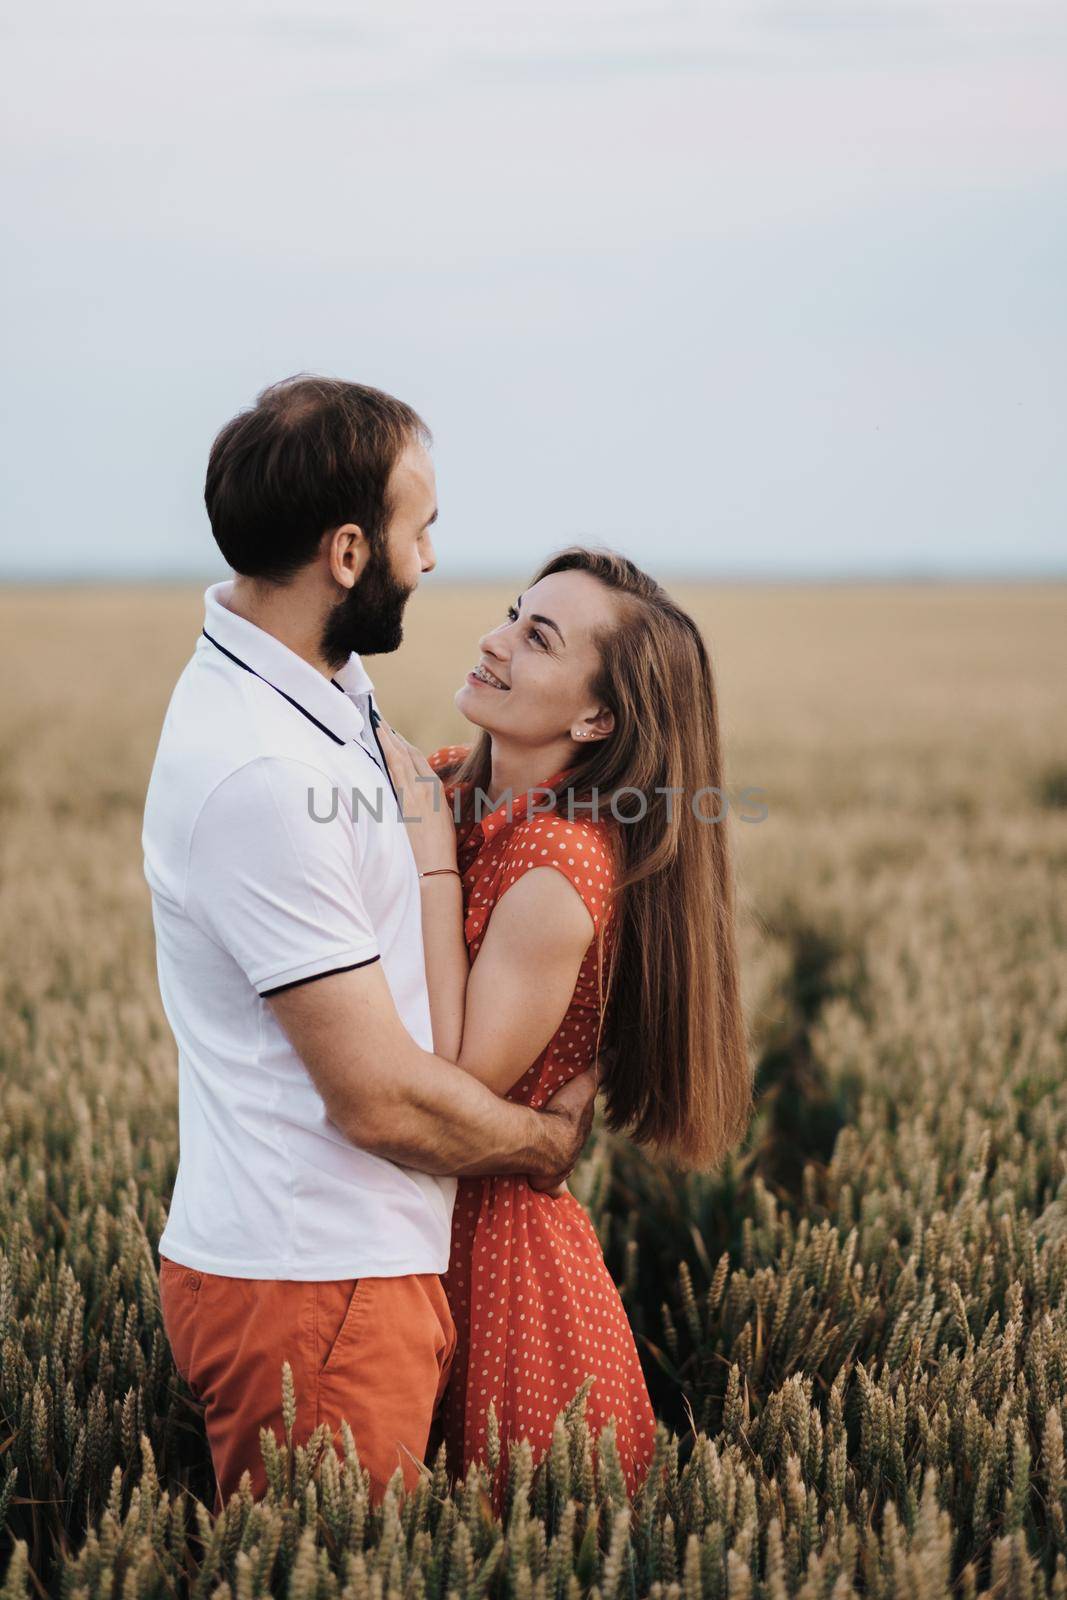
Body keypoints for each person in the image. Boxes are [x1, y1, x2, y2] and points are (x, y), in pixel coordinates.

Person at [141, 376, 596, 1514]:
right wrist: (539, 1145)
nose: (432, 557)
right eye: (418, 527)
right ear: (349, 551)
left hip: (353, 1273)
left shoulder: (326, 683)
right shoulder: (263, 774)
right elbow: (379, 1102)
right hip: (315, 1290)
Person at [376, 547, 752, 1503]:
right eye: (511, 613)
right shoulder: (460, 783)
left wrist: (426, 853)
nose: (494, 640)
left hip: (495, 1271)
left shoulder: (557, 863)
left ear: (595, 717)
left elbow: (452, 1075)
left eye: (535, 638)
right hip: (402, 1231)